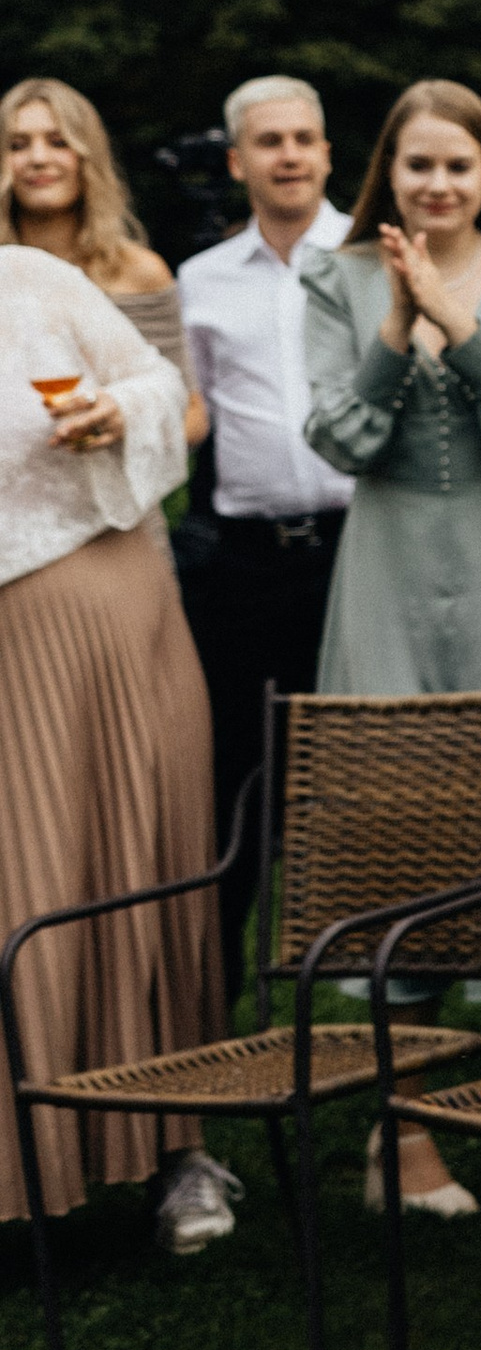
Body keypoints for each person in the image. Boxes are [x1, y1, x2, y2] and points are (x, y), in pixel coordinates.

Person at [301, 80, 481, 1218]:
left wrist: (458, 324)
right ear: (388, 172)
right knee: (401, 823)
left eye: (458, 165)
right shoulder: (333, 277)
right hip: (383, 573)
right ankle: (406, 1130)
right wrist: (393, 327)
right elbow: (340, 437)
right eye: (418, 164)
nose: (437, 184)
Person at [0, 243, 232, 1252]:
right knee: (20, 892)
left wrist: (115, 413)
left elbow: (161, 384)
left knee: (137, 863)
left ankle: (179, 1152)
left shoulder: (34, 279)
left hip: (112, 619)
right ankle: (26, 1160)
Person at [175, 78, 353, 974]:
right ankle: (217, 986)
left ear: (327, 153)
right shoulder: (199, 282)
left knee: (365, 772)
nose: (289, 155)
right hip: (244, 568)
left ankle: (376, 983)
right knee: (234, 777)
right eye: (269, 141)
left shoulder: (372, 257)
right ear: (238, 160)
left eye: (304, 139)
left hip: (358, 555)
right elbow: (192, 418)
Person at [1, 76, 206, 444]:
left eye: (59, 142)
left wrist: (126, 418)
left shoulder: (137, 272)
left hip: (108, 476)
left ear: (87, 156)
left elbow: (191, 416)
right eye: (18, 145)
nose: (38, 158)